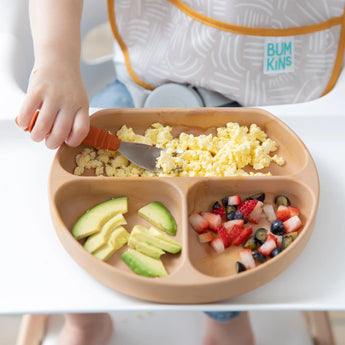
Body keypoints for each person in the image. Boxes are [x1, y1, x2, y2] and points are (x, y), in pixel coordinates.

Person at [15, 0, 345, 344]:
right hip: (145, 83)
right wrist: (56, 58)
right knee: (63, 204)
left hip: (279, 100)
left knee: (223, 271)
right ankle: (86, 322)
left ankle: (225, 322)